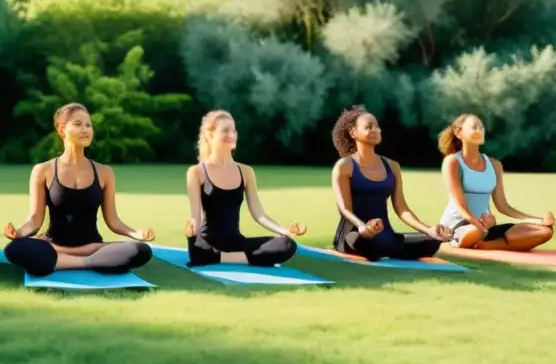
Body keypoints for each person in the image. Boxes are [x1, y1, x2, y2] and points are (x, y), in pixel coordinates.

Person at [2, 103, 155, 276]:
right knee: (14, 249)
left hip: (92, 247)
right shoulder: (43, 170)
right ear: (62, 130)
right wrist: (19, 232)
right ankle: (92, 263)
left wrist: (137, 233)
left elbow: (113, 221)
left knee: (141, 250)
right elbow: (35, 221)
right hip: (55, 246)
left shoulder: (105, 173)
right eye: (78, 124)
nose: (85, 130)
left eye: (88, 125)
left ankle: (63, 262)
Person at [330, 105, 452, 261]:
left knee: (433, 241)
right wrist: (362, 227)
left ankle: (388, 247)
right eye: (369, 127)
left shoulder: (392, 166)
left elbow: (402, 209)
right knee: (366, 244)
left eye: (377, 126)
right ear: (353, 133)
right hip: (355, 234)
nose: (376, 130)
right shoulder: (344, 166)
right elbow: (344, 209)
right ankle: (384, 248)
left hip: (386, 235)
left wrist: (429, 230)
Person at [185, 110, 304, 266]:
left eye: (234, 130)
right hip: (208, 243)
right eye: (225, 130)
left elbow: (259, 213)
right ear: (210, 135)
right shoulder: (197, 172)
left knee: (287, 245)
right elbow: (196, 218)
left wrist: (284, 231)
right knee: (199, 252)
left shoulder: (246, 172)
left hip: (235, 242)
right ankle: (236, 258)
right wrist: (191, 230)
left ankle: (220, 258)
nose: (232, 134)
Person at [437, 113, 553, 251]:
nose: (479, 131)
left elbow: (503, 206)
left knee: (545, 232)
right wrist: (479, 225)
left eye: (481, 127)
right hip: (458, 224)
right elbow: (460, 205)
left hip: (486, 225)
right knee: (475, 232)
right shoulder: (453, 162)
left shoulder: (495, 165)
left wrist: (538, 221)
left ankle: (486, 245)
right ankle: (472, 239)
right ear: (458, 132)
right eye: (474, 127)